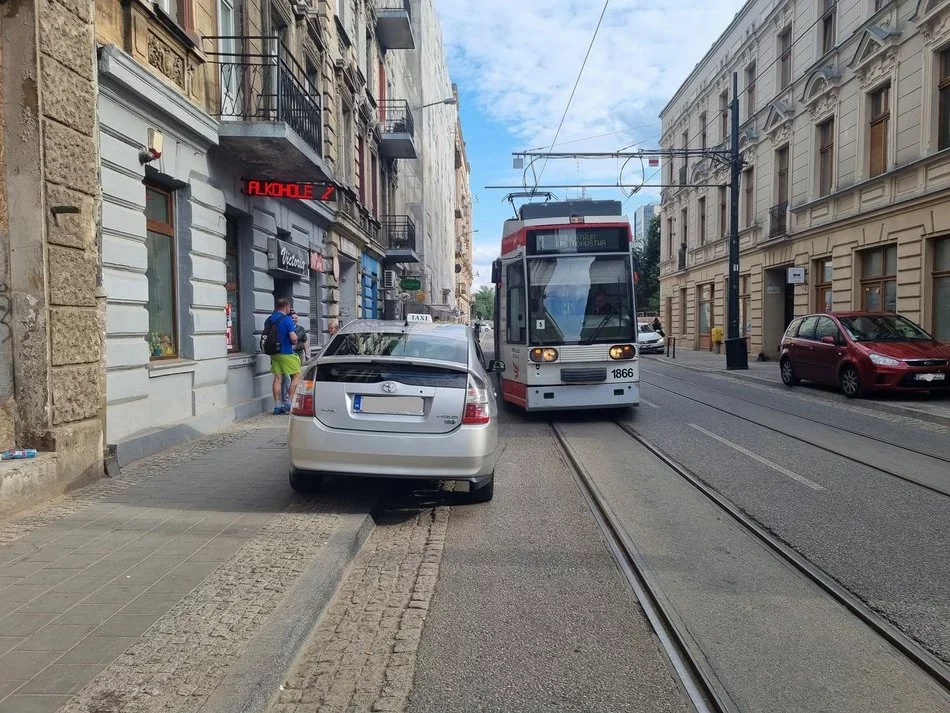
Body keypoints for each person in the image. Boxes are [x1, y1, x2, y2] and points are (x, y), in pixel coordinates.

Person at [266, 298, 299, 414]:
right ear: (287, 307)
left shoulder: (269, 319)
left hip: (274, 353)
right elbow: (293, 338)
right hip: (286, 352)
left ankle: (277, 406)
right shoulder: (287, 320)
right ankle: (289, 403)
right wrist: (296, 340)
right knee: (296, 376)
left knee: (277, 379)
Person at [281, 311, 311, 405]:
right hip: (288, 354)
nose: (294, 319)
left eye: (295, 318)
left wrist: (307, 353)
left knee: (295, 375)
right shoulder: (286, 328)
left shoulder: (301, 329)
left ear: (298, 319)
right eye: (292, 318)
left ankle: (294, 395)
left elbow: (305, 341)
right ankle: (287, 397)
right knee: (287, 376)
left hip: (298, 354)